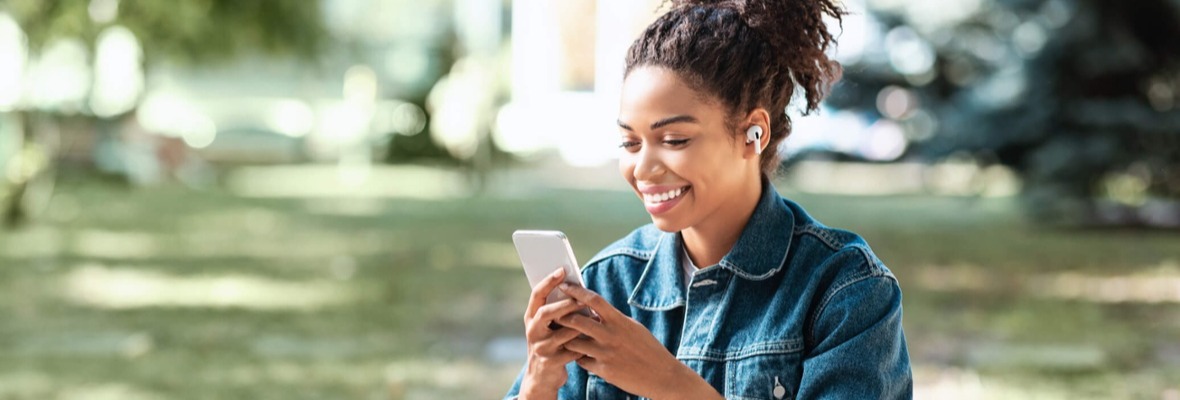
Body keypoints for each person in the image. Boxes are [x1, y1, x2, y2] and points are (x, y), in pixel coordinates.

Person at [505, 0, 912, 398]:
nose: (643, 169)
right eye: (629, 142)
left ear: (754, 132)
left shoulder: (845, 291)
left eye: (674, 140)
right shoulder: (606, 286)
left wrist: (668, 383)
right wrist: (539, 382)